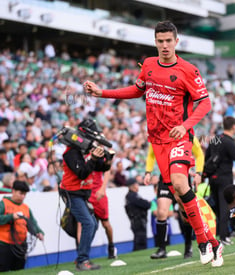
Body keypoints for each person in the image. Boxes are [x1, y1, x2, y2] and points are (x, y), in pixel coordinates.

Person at [84, 21, 223, 267]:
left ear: (176, 41)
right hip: (157, 142)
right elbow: (137, 90)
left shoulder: (188, 70)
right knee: (180, 198)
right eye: (160, 41)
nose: (165, 45)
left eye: (169, 40)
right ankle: (213, 242)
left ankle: (202, 242)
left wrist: (186, 125)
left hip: (179, 137)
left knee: (181, 183)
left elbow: (205, 103)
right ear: (155, 42)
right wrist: (102, 93)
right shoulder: (148, 65)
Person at [59, 119, 111, 271]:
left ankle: (82, 258)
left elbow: (99, 168)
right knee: (88, 223)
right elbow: (82, 173)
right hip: (72, 192)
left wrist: (106, 160)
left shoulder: (84, 150)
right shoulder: (71, 152)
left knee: (93, 224)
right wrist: (94, 158)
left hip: (81, 193)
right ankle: (83, 260)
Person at [146, 136, 204, 259]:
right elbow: (151, 154)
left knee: (185, 214)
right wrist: (148, 172)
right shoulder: (159, 134)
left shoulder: (185, 133)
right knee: (161, 212)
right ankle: (162, 249)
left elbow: (199, 154)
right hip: (165, 178)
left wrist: (199, 173)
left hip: (181, 176)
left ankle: (188, 246)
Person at [205, 116, 235, 245]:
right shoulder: (229, 142)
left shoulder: (215, 139)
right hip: (224, 178)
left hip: (212, 178)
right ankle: (223, 237)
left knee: (217, 207)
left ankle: (221, 234)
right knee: (224, 207)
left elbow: (207, 158)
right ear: (233, 126)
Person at [0, 180, 44, 272]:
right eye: (20, 193)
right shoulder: (3, 203)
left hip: (20, 246)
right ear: (13, 191)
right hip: (4, 245)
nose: (23, 196)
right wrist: (10, 217)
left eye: (24, 194)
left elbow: (32, 223)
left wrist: (39, 232)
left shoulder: (26, 208)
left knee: (19, 271)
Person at [88, 170, 117, 259]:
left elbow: (107, 170)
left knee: (105, 223)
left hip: (99, 195)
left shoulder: (99, 156)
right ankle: (83, 253)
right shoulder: (80, 157)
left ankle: (111, 246)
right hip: (87, 195)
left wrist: (103, 188)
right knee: (89, 225)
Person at [125, 178, 151, 251]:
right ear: (132, 186)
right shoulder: (132, 196)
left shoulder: (132, 195)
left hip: (138, 221)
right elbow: (146, 204)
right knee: (140, 241)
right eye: (136, 184)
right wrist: (147, 203)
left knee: (140, 239)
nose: (138, 186)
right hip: (138, 221)